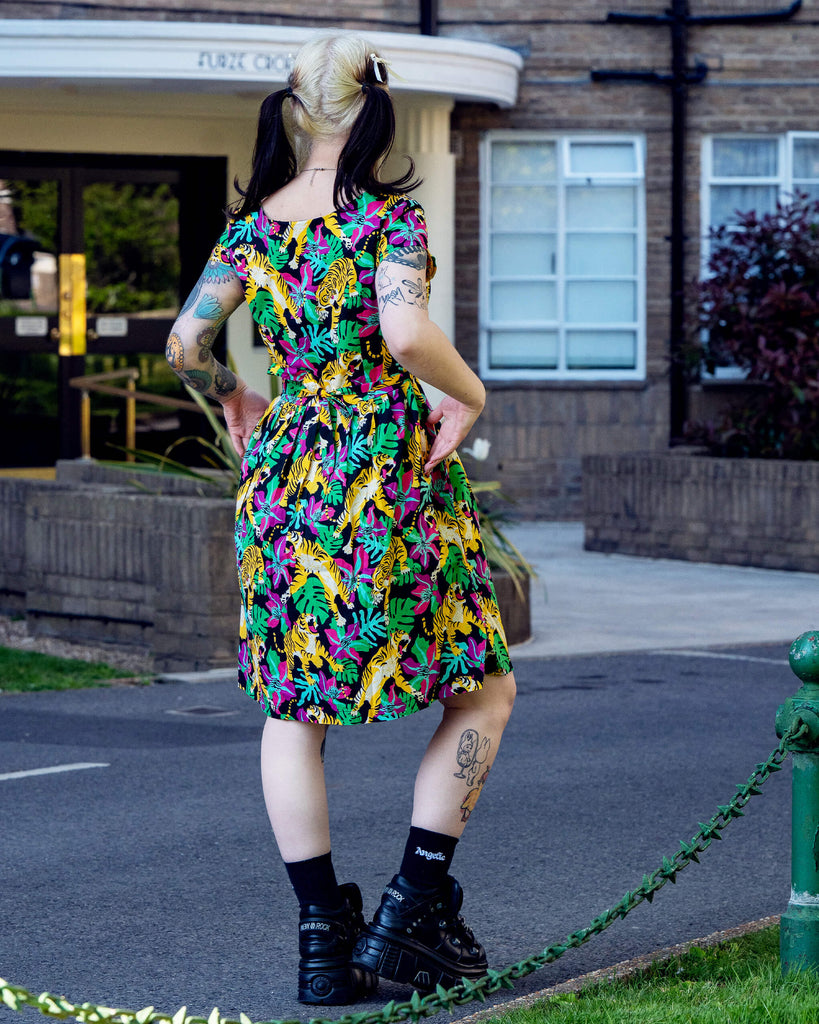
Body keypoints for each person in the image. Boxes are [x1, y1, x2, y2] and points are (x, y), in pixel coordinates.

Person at [165, 33, 516, 1007]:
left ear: (291, 110)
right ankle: (412, 910)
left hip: (286, 469)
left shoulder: (250, 232)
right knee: (481, 690)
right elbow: (404, 334)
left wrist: (236, 396)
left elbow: (186, 343)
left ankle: (324, 943)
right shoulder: (386, 219)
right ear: (375, 111)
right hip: (382, 467)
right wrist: (470, 393)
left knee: (293, 712)